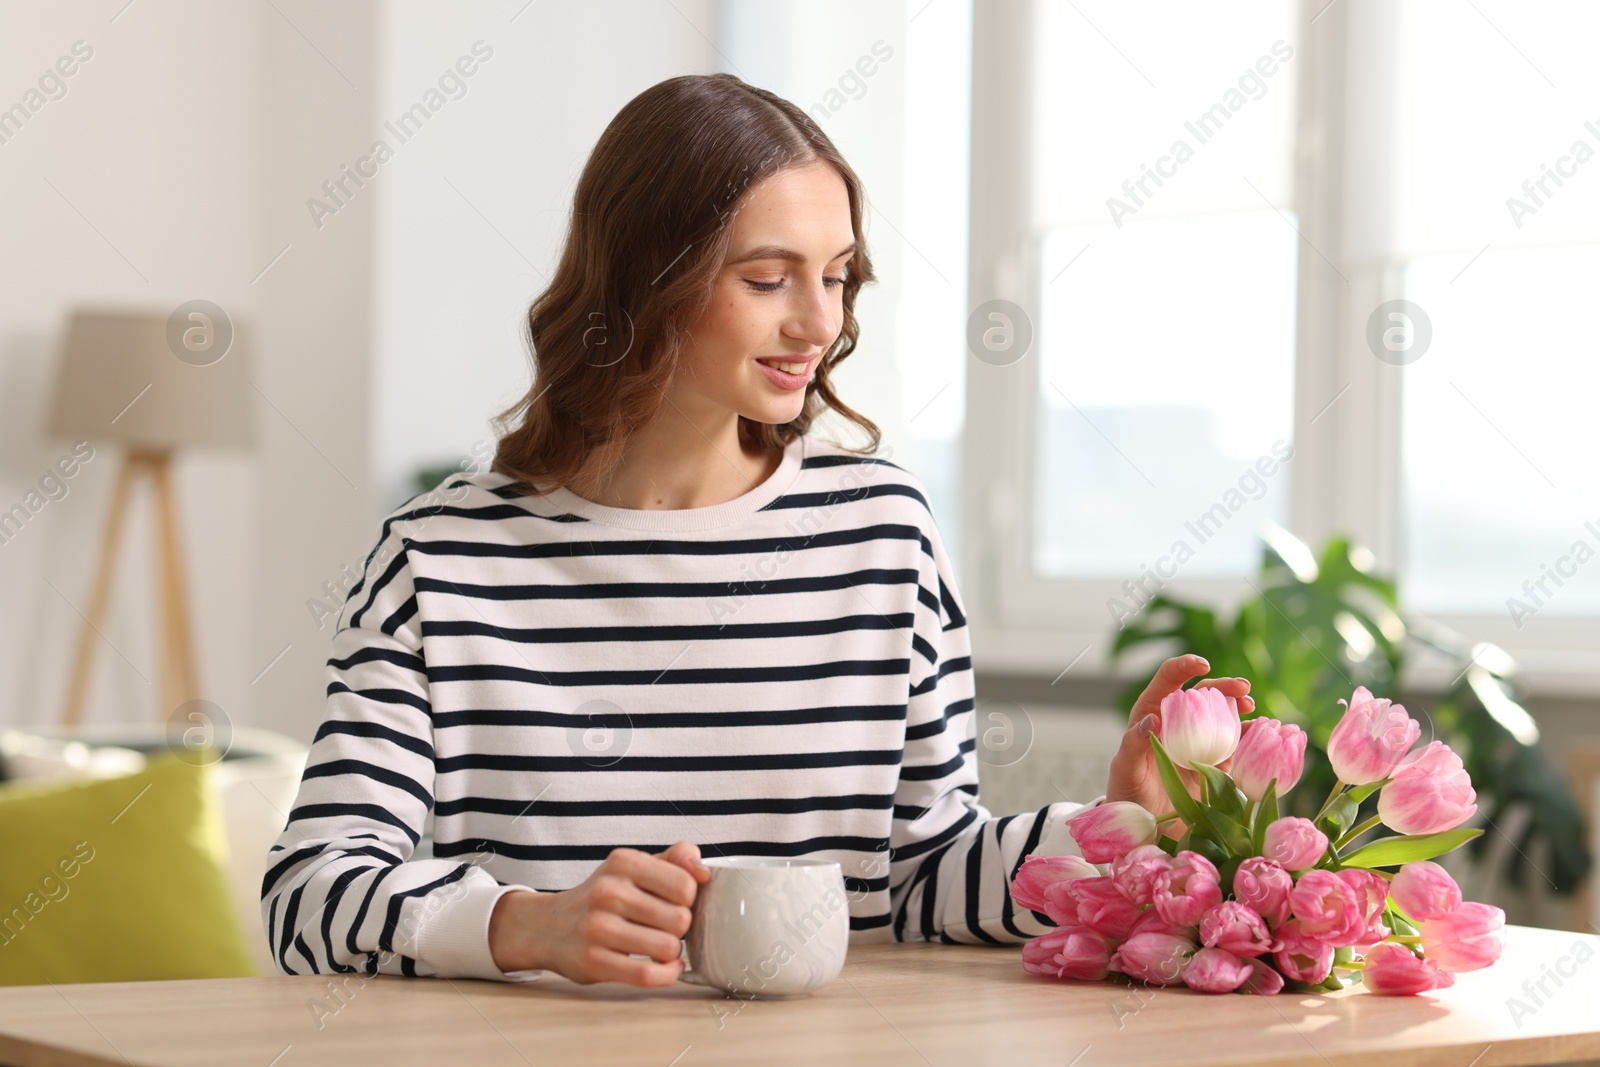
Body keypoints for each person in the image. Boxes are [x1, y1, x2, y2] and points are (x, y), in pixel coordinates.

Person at [260, 72, 1252, 987]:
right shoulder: (441, 559)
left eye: (838, 276)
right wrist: (524, 923)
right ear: (646, 280)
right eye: (768, 277)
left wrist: (1113, 833)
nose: (817, 322)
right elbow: (309, 893)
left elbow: (918, 871)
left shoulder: (883, 534)